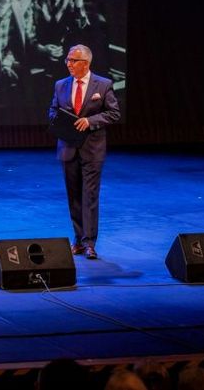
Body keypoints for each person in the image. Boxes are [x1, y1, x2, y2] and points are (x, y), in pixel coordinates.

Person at [48, 44, 120, 260]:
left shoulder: (103, 85)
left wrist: (90, 121)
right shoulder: (61, 85)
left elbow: (113, 113)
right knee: (74, 196)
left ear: (85, 63)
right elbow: (53, 110)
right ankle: (78, 240)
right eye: (67, 60)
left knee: (90, 195)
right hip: (68, 148)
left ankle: (90, 242)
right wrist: (60, 120)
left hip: (92, 149)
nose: (68, 64)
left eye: (73, 60)